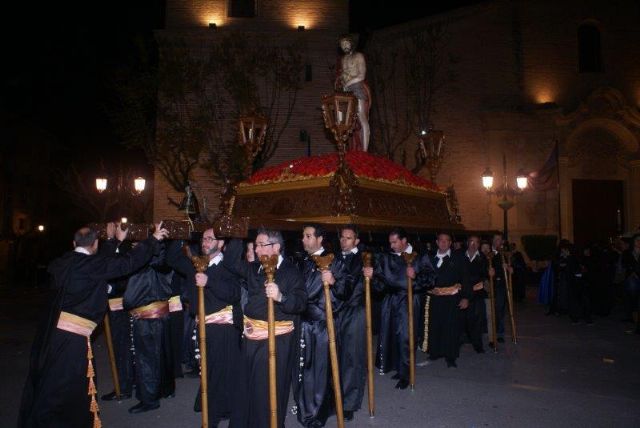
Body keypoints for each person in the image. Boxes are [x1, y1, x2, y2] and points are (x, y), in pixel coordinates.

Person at [18, 222, 169, 428]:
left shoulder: (64, 262)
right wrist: (152, 240)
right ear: (95, 243)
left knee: (52, 384)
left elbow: (98, 264)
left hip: (54, 337)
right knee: (64, 390)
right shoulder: (90, 266)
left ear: (73, 243)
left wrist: (115, 241)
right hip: (72, 342)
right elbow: (127, 262)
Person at [224, 228, 307, 428]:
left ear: (276, 247)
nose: (257, 249)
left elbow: (301, 302)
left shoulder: (291, 271)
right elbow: (230, 263)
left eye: (262, 245)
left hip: (276, 340)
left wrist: (281, 297)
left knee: (266, 390)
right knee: (246, 387)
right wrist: (236, 232)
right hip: (251, 338)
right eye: (256, 245)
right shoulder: (254, 268)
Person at [167, 229, 242, 426]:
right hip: (202, 325)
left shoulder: (229, 265)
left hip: (223, 327)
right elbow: (172, 259)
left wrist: (209, 282)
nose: (205, 242)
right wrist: (179, 235)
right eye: (203, 238)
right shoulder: (197, 264)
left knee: (219, 372)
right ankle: (218, 408)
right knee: (209, 370)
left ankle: (212, 418)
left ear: (222, 243)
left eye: (210, 239)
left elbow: (234, 293)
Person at [293, 224, 350, 428]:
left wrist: (333, 280)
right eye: (303, 235)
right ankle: (305, 405)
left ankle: (317, 412)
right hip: (303, 322)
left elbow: (346, 289)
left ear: (319, 239)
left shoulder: (333, 260)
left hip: (321, 325)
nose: (304, 239)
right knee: (304, 366)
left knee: (319, 370)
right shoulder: (301, 260)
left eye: (308, 236)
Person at [364, 228, 435, 389]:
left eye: (394, 242)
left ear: (404, 241)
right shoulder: (387, 258)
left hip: (409, 299)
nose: (392, 245)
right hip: (391, 300)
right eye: (390, 242)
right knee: (391, 334)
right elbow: (381, 282)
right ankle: (398, 367)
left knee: (406, 336)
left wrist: (416, 277)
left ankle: (407, 373)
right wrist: (372, 276)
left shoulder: (419, 256)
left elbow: (431, 278)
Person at [123, 233, 176, 414]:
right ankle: (165, 390)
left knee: (148, 359)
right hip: (156, 315)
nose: (134, 247)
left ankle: (149, 399)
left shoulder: (150, 261)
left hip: (149, 317)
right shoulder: (154, 259)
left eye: (138, 243)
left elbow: (132, 293)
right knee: (160, 355)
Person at [335, 225, 366, 421]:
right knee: (337, 355)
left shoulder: (362, 259)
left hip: (355, 311)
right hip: (337, 311)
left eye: (349, 238)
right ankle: (336, 396)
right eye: (342, 237)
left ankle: (349, 403)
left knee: (352, 357)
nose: (344, 241)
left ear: (356, 241)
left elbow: (348, 285)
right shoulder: (335, 256)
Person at [427, 232, 465, 367]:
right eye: (441, 240)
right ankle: (435, 352)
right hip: (434, 299)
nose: (443, 243)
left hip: (451, 299)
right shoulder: (430, 258)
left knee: (451, 328)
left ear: (450, 243)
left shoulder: (458, 259)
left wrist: (465, 297)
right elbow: (424, 277)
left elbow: (464, 279)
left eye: (447, 240)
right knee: (435, 326)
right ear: (437, 242)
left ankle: (451, 356)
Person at [336, 34, 371, 152]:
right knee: (343, 120)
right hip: (345, 91)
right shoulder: (343, 59)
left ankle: (365, 151)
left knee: (361, 117)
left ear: (351, 44)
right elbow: (343, 75)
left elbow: (361, 75)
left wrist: (348, 83)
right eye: (342, 45)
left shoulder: (358, 56)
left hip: (356, 87)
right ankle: (346, 149)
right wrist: (341, 80)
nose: (344, 47)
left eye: (346, 44)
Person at [460, 235, 488, 353]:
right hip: (461, 293)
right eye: (471, 241)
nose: (473, 244)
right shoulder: (459, 256)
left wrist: (489, 275)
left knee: (476, 319)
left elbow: (485, 275)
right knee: (461, 318)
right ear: (467, 242)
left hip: (477, 293)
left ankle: (477, 344)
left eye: (476, 242)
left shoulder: (483, 258)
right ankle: (460, 341)